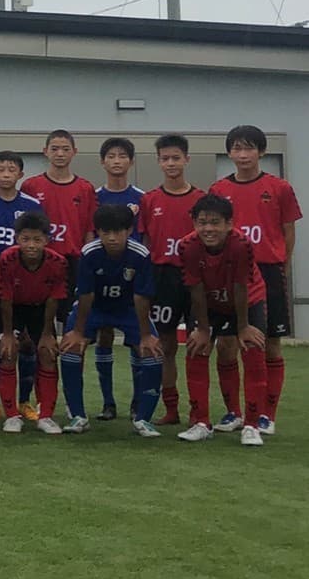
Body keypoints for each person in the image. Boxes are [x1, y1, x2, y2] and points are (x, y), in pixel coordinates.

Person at [209, 124, 300, 434]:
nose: (243, 154)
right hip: (229, 274)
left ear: (261, 151)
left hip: (268, 271)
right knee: (226, 344)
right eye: (237, 148)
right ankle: (233, 412)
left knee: (268, 344)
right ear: (229, 153)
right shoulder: (219, 189)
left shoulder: (280, 188)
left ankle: (266, 416)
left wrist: (282, 266)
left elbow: (288, 232)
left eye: (249, 147)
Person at [59, 204, 163, 437]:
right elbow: (86, 294)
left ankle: (143, 419)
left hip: (128, 309)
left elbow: (141, 296)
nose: (112, 238)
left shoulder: (140, 254)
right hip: (95, 308)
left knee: (153, 352)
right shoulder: (89, 252)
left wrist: (146, 335)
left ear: (130, 230)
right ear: (98, 231)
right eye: (106, 232)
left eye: (118, 232)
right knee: (70, 348)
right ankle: (77, 416)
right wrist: (78, 332)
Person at [175, 194, 269, 447]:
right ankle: (201, 423)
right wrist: (203, 329)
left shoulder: (241, 244)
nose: (208, 229)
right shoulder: (187, 246)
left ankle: (251, 425)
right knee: (196, 349)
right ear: (194, 223)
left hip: (246, 300)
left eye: (215, 222)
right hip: (209, 301)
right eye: (202, 222)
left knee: (252, 350)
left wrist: (243, 327)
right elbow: (195, 289)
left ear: (229, 223)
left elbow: (241, 286)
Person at [138, 133, 205, 426]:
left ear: (187, 160)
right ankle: (171, 408)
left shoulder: (201, 199)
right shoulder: (149, 200)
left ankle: (198, 410)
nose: (171, 163)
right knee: (165, 344)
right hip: (162, 277)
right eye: (165, 158)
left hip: (194, 276)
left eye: (176, 158)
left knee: (198, 342)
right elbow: (145, 243)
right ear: (158, 162)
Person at [0, 150, 43, 416]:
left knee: (26, 342)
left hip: (24, 285)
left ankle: (24, 400)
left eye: (11, 170)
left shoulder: (32, 204)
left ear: (20, 174)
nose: (6, 174)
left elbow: (38, 242)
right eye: (1, 169)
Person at [0, 211, 67, 434]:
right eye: (25, 239)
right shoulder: (7, 258)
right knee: (8, 352)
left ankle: (46, 416)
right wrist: (7, 334)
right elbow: (5, 299)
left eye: (37, 239)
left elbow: (53, 299)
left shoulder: (58, 262)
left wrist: (47, 333)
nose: (31, 245)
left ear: (47, 240)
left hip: (40, 309)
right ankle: (12, 416)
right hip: (13, 309)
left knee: (47, 353)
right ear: (17, 238)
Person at [89, 137, 145, 419]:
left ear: (131, 162)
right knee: (104, 334)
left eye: (122, 156)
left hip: (133, 275)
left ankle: (137, 403)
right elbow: (90, 236)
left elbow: (145, 237)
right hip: (102, 274)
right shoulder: (94, 197)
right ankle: (108, 403)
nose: (117, 161)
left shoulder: (143, 198)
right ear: (102, 161)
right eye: (111, 156)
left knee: (137, 337)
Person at [21, 129, 97, 297]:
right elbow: (23, 227)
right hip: (39, 257)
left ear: (74, 152)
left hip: (73, 260)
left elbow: (89, 230)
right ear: (45, 151)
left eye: (65, 149)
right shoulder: (31, 186)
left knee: (70, 308)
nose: (60, 154)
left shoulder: (85, 188)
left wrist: (87, 261)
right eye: (54, 149)